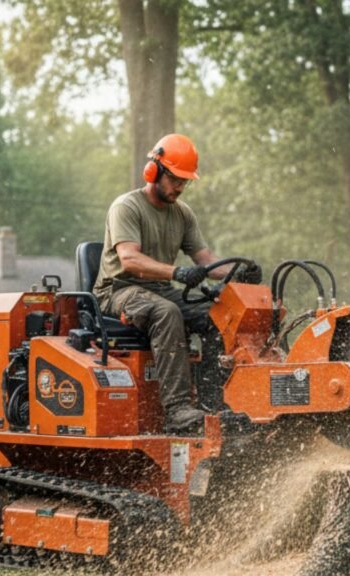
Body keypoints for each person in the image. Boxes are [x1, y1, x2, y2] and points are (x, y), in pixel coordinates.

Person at [93, 134, 258, 434]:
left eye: (185, 181)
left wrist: (240, 270)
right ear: (153, 171)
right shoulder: (127, 207)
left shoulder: (182, 214)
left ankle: (212, 400)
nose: (180, 187)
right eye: (175, 179)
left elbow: (205, 259)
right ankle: (178, 410)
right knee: (167, 312)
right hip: (118, 291)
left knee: (218, 315)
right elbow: (130, 260)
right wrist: (176, 273)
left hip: (159, 289)